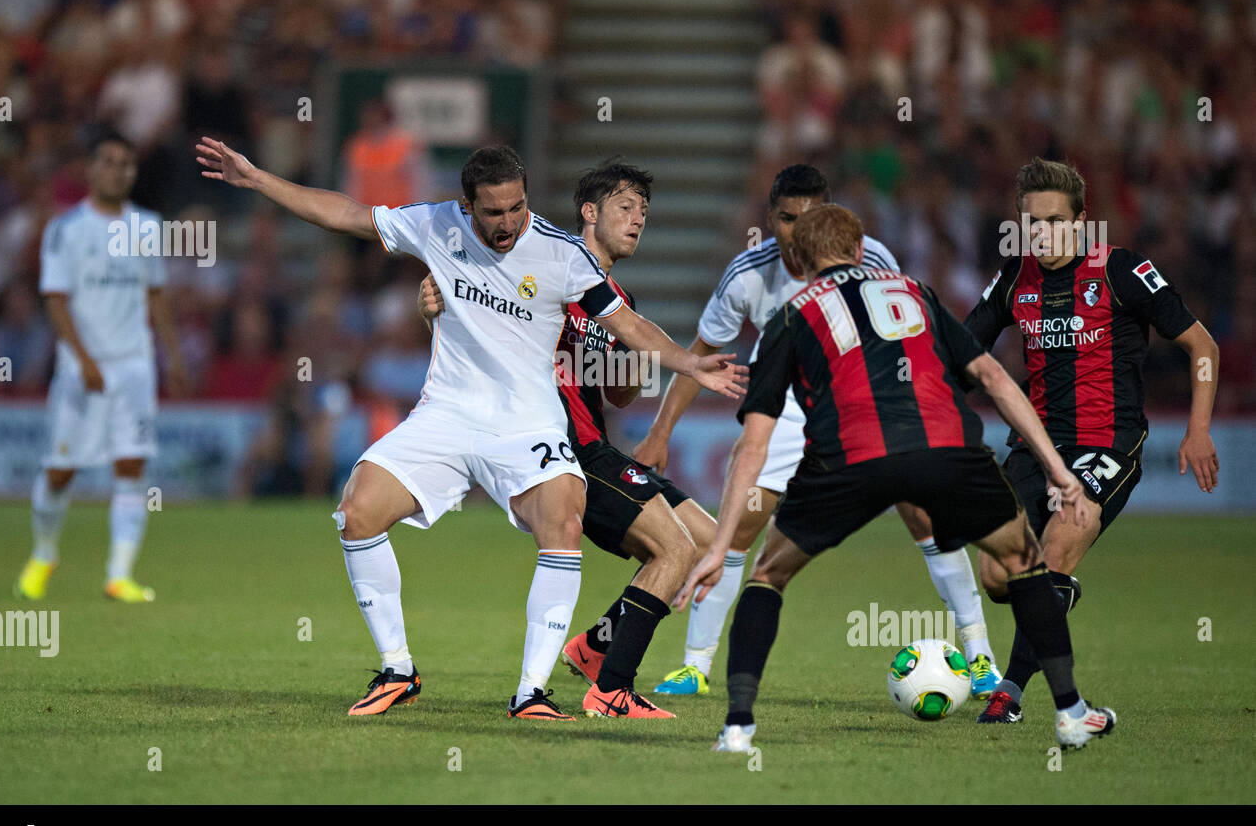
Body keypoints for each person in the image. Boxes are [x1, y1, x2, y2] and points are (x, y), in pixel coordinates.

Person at [196, 138, 746, 719]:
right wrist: (260, 179)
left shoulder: (562, 254)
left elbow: (628, 326)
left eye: (518, 208)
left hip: (527, 422)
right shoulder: (434, 224)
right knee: (357, 511)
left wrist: (686, 363)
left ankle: (532, 693)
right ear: (467, 205)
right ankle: (397, 670)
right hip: (448, 413)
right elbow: (346, 213)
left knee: (565, 523)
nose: (509, 223)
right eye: (494, 212)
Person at [687, 204, 1115, 754]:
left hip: (849, 458)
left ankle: (738, 729)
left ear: (798, 257)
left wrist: (721, 546)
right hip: (947, 450)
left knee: (767, 576)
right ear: (861, 250)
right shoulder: (914, 291)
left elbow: (755, 442)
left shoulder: (791, 316)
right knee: (1024, 562)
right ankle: (1071, 713)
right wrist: (1059, 470)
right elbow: (992, 377)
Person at [634, 165, 1002, 698]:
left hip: (862, 401)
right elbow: (702, 357)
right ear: (771, 218)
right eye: (785, 219)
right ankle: (695, 665)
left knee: (925, 514)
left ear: (829, 219)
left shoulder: (871, 259)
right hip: (784, 407)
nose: (795, 231)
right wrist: (661, 431)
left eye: (808, 218)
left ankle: (981, 657)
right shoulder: (747, 276)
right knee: (740, 526)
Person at [419, 160, 720, 718]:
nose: (637, 222)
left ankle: (595, 646)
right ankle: (612, 690)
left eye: (644, 213)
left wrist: (631, 354)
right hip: (565, 448)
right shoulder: (549, 266)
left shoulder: (615, 298)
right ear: (590, 212)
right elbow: (478, 301)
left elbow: (622, 394)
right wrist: (432, 301)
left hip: (596, 442)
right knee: (676, 549)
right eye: (626, 208)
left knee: (706, 543)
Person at [965, 157, 1219, 723]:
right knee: (998, 576)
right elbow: (961, 349)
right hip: (1036, 447)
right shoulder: (1014, 279)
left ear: (1081, 221)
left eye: (1056, 221)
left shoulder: (1123, 272)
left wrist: (1198, 429)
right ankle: (1055, 595)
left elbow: (1204, 348)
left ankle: (1009, 695)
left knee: (1058, 543)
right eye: (1033, 223)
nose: (1044, 234)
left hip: (1107, 445)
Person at [15, 128, 187, 603]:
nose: (118, 171)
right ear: (92, 169)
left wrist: (171, 354)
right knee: (61, 470)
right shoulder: (65, 230)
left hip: (133, 365)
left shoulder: (148, 228)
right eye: (109, 162)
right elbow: (55, 300)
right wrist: (84, 359)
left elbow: (155, 294)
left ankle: (119, 574)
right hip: (80, 370)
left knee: (131, 466)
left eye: (126, 164)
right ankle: (45, 553)